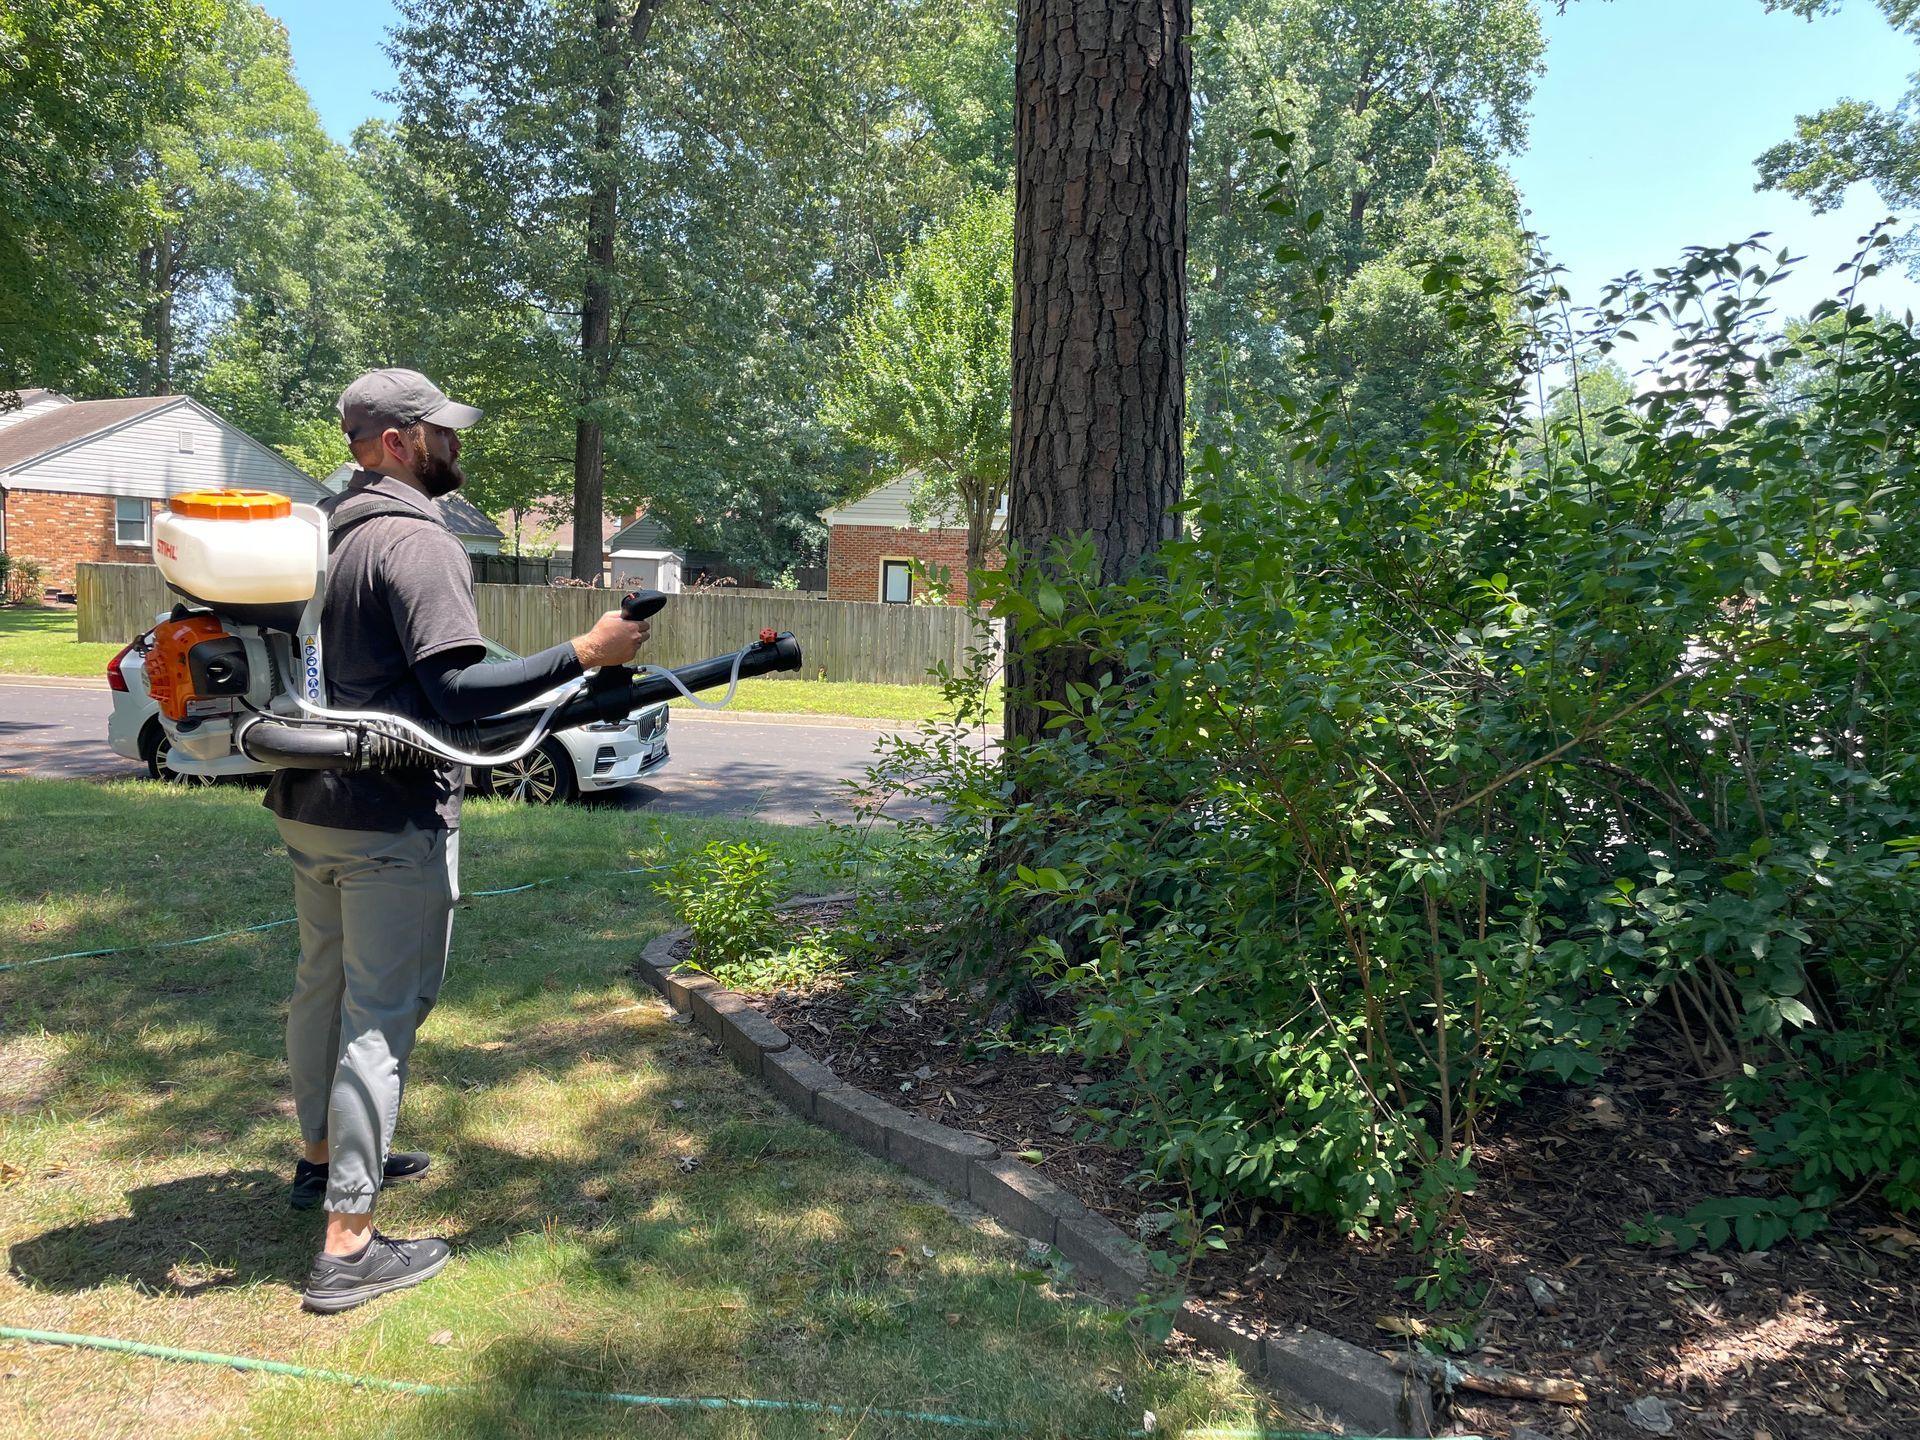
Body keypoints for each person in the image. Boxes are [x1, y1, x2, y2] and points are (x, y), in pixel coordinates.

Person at [268, 368, 649, 1314]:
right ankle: (350, 1242)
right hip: (388, 814)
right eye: (443, 431)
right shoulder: (415, 541)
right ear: (397, 441)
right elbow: (462, 693)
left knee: (324, 984)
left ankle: (321, 1160)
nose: (457, 446)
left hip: (307, 801)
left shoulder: (331, 528)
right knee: (380, 1018)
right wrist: (587, 653)